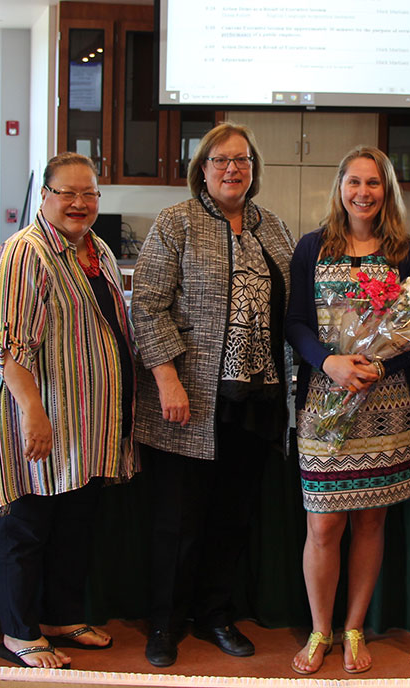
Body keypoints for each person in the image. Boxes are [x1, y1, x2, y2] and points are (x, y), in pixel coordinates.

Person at [131, 122, 295, 668]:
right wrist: (167, 378)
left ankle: (215, 614)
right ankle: (165, 622)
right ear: (202, 167)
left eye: (243, 160)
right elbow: (147, 305)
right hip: (190, 400)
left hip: (257, 399)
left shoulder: (270, 226)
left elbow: (291, 309)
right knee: (178, 521)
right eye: (222, 160)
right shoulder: (176, 222)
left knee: (232, 517)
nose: (233, 169)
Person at [0, 153, 136, 669]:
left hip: (86, 425)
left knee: (72, 525)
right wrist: (32, 415)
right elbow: (8, 349)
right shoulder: (25, 254)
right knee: (26, 525)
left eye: (89, 194)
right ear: (45, 196)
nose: (80, 203)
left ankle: (61, 615)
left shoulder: (96, 250)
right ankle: (18, 632)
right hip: (36, 420)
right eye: (67, 193)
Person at [285, 146, 410, 675]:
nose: (362, 193)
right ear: (339, 187)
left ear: (386, 190)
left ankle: (353, 627)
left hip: (386, 407)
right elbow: (295, 322)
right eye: (354, 182)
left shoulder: (406, 252)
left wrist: (380, 367)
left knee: (370, 521)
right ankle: (321, 628)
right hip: (324, 403)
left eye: (373, 183)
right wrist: (331, 362)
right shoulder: (313, 248)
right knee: (322, 527)